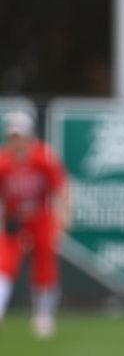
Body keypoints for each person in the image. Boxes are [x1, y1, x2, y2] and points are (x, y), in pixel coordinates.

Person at [0, 109, 70, 339]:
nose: (16, 142)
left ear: (30, 136)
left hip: (40, 216)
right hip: (13, 220)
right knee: (4, 264)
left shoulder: (44, 158)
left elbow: (61, 188)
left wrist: (63, 217)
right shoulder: (3, 161)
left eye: (20, 137)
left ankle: (43, 314)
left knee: (44, 264)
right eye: (13, 137)